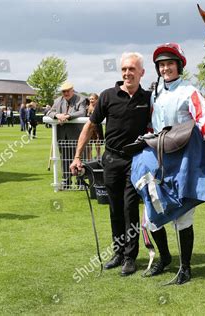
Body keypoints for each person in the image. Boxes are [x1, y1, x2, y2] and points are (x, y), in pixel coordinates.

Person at [70, 52, 151, 276]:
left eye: (132, 69)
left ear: (141, 73)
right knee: (114, 208)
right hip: (111, 160)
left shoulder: (148, 98)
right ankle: (117, 252)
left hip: (136, 161)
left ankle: (129, 257)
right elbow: (90, 126)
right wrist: (77, 156)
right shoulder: (107, 96)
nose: (127, 73)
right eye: (124, 69)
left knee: (129, 207)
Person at [143, 43, 205, 285]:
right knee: (151, 212)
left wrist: (185, 145)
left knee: (183, 214)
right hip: (159, 157)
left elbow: (204, 123)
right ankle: (164, 258)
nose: (165, 68)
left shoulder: (190, 91)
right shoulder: (155, 94)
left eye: (169, 64)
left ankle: (186, 267)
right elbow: (152, 125)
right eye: (161, 65)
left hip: (183, 159)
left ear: (179, 65)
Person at [46, 82, 87, 187]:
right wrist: (57, 115)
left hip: (77, 135)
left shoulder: (81, 99)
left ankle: (80, 181)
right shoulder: (57, 100)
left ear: (72, 90)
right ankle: (66, 181)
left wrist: (68, 116)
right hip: (62, 136)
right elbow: (49, 112)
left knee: (79, 157)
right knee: (64, 158)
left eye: (68, 91)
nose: (66, 93)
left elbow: (82, 112)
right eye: (64, 91)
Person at [86, 93, 104, 160]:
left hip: (97, 127)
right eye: (90, 99)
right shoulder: (87, 107)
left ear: (97, 100)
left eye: (92, 99)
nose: (91, 100)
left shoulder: (99, 107)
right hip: (89, 128)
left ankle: (98, 157)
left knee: (97, 142)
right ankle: (89, 158)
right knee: (89, 143)